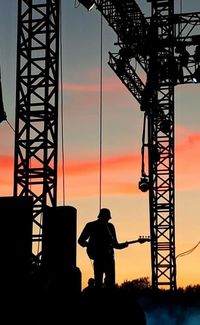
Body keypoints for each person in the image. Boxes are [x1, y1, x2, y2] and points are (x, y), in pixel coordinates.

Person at [78, 208, 129, 289]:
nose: (107, 220)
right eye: (107, 218)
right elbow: (80, 241)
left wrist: (126, 245)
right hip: (99, 258)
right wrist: (90, 246)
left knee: (109, 283)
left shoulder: (110, 227)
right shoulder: (91, 225)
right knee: (99, 282)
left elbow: (115, 245)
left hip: (107, 258)